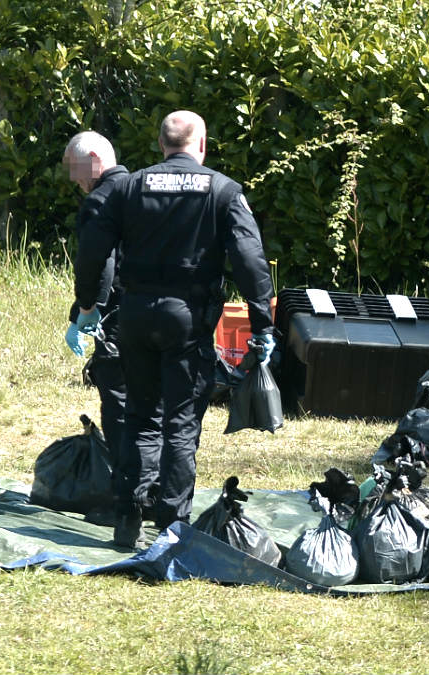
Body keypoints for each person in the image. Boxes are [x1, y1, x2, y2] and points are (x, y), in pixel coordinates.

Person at [73, 111, 276, 547]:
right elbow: (251, 261)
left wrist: (87, 305)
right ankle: (171, 528)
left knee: (140, 417)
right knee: (180, 424)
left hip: (135, 316)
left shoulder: (128, 187)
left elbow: (91, 247)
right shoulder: (223, 191)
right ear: (201, 144)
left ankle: (127, 521)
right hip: (188, 320)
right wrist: (262, 323)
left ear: (160, 144)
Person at [61, 131, 129, 461]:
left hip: (117, 315)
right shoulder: (140, 190)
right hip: (155, 308)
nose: (76, 182)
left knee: (117, 396)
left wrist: (88, 309)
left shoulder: (100, 201)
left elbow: (101, 263)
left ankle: (123, 481)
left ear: (93, 159)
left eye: (76, 171)